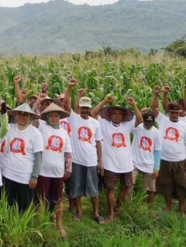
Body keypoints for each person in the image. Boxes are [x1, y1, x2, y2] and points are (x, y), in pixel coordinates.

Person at [93, 95, 141, 222]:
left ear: (123, 116)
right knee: (111, 189)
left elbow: (140, 120)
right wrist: (104, 101)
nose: (117, 116)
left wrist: (134, 105)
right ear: (110, 115)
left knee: (126, 187)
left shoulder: (127, 125)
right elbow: (93, 113)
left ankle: (118, 207)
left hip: (126, 164)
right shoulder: (104, 123)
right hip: (110, 164)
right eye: (114, 113)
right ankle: (111, 213)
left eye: (120, 114)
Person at [62, 80, 104, 223]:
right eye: (83, 108)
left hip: (91, 160)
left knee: (94, 190)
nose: (85, 111)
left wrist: (100, 162)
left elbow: (98, 143)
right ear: (79, 108)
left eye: (87, 108)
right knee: (77, 187)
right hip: (77, 160)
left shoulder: (95, 123)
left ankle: (96, 213)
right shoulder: (74, 119)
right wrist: (69, 88)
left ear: (90, 108)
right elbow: (66, 104)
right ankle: (79, 212)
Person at [151, 96, 186, 216]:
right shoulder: (163, 120)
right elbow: (153, 108)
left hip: (180, 159)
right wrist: (156, 93)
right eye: (171, 112)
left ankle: (181, 208)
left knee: (182, 185)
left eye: (176, 112)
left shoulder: (184, 125)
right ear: (167, 112)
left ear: (179, 113)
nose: (174, 114)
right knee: (166, 185)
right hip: (164, 159)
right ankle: (168, 206)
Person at [35, 103, 72, 237]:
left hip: (57, 171)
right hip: (43, 171)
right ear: (47, 117)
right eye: (51, 116)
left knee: (58, 199)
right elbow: (34, 116)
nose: (54, 118)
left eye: (56, 116)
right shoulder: (42, 127)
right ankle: (41, 224)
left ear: (60, 117)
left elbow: (68, 152)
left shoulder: (64, 132)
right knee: (41, 199)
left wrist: (68, 169)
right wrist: (38, 101)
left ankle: (59, 225)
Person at [1, 103, 44, 212]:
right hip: (8, 174)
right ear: (15, 115)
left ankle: (21, 227)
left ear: (29, 117)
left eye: (25, 115)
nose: (22, 117)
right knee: (7, 203)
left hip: (25, 176)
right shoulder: (10, 128)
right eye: (19, 114)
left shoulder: (35, 133)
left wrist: (34, 176)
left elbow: (38, 156)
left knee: (23, 206)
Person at [132, 110, 162, 207]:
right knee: (129, 184)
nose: (148, 125)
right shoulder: (137, 128)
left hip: (149, 163)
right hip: (135, 161)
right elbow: (134, 120)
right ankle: (127, 205)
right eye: (146, 123)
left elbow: (157, 151)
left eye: (151, 123)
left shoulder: (156, 133)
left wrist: (156, 168)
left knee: (150, 188)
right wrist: (139, 111)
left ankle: (149, 208)